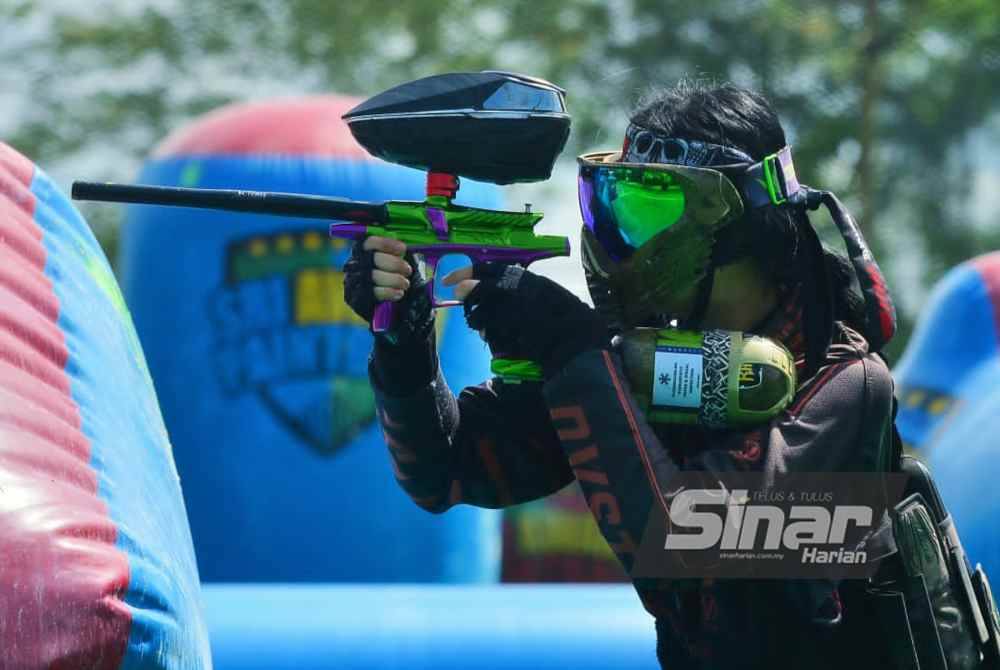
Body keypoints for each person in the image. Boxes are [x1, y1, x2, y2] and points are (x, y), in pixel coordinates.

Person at [342, 82, 988, 669]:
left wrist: (571, 349)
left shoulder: (846, 384)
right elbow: (449, 470)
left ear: (725, 225)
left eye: (647, 214)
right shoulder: (647, 360)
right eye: (610, 207)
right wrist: (404, 340)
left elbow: (688, 538)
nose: (620, 240)